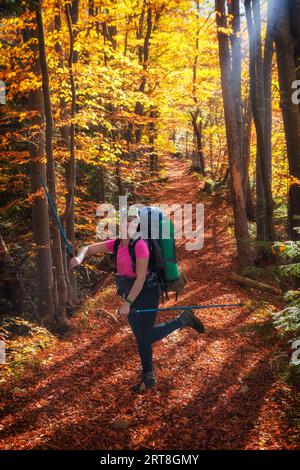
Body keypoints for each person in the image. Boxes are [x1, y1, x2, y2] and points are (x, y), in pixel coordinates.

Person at [70, 205, 205, 393]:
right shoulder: (117, 244)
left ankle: (183, 319)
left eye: (134, 220)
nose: (130, 223)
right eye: (127, 220)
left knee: (145, 335)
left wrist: (127, 304)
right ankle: (148, 376)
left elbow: (141, 278)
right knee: (141, 338)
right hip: (129, 294)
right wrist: (79, 258)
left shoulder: (140, 245)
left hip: (147, 294)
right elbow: (88, 248)